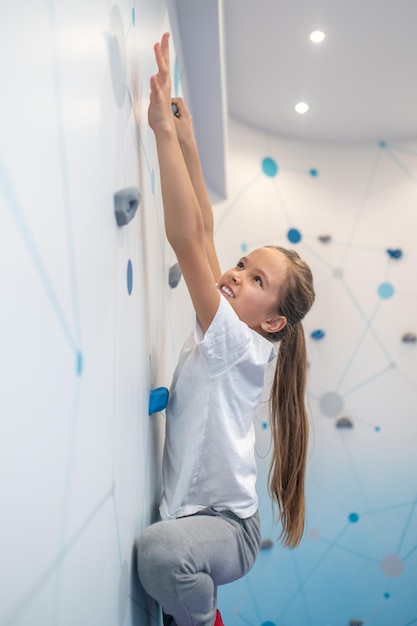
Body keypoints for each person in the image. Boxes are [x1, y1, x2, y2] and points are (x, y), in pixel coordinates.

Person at [136, 33, 315, 626]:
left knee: (161, 551)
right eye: (244, 264)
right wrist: (188, 141)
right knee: (167, 554)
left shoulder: (238, 343)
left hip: (228, 530)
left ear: (273, 321)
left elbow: (187, 239)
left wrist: (162, 130)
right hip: (200, 518)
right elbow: (207, 232)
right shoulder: (231, 330)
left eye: (256, 279)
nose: (236, 275)